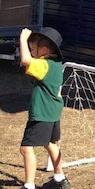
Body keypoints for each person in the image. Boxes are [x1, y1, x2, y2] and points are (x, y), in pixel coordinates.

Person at [18, 27, 70, 189]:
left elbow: (26, 61)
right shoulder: (56, 63)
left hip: (42, 113)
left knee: (26, 148)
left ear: (45, 49)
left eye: (33, 49)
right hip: (53, 112)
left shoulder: (44, 65)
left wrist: (22, 39)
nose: (31, 52)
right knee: (50, 143)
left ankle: (29, 186)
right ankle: (60, 178)